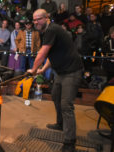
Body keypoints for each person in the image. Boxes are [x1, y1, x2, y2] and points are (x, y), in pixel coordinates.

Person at [27, 9, 83, 152]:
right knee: (56, 96)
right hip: (60, 72)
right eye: (33, 19)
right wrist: (43, 70)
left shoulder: (52, 29)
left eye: (38, 19)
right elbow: (51, 55)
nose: (35, 22)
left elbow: (43, 53)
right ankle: (60, 123)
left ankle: (70, 142)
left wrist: (33, 69)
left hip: (72, 71)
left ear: (47, 18)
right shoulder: (46, 31)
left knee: (66, 105)